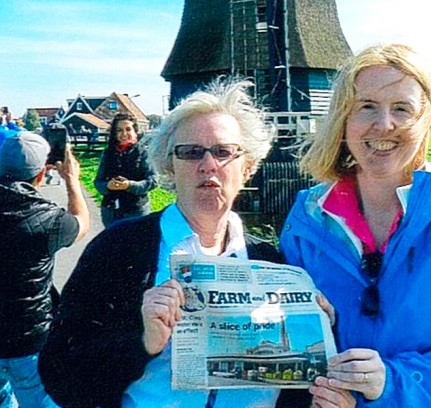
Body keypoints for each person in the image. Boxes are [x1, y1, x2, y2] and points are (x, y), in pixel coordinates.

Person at [39, 79, 311, 408]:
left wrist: (319, 336)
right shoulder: (118, 249)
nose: (208, 165)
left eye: (223, 152)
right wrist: (142, 343)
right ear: (170, 166)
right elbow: (59, 374)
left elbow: (292, 387)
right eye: (191, 152)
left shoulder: (274, 263)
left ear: (247, 168)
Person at [279, 44, 431, 407]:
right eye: (366, 107)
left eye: (401, 109)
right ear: (343, 118)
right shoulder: (308, 218)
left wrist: (391, 383)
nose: (384, 124)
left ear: (428, 119)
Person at [0, 131, 90, 408]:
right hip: (26, 337)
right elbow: (81, 223)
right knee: (38, 400)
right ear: (41, 174)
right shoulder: (48, 218)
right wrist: (72, 180)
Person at [93, 112, 157, 227]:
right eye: (119, 130)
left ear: (135, 131)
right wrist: (108, 186)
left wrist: (129, 185)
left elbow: (153, 181)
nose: (124, 134)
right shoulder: (108, 153)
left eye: (128, 129)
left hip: (137, 210)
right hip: (110, 211)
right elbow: (98, 182)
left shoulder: (144, 153)